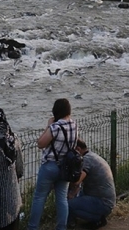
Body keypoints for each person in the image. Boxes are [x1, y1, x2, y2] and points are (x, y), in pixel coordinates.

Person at [28, 98, 77, 230]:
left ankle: (32, 227)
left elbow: (40, 143)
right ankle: (62, 227)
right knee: (61, 199)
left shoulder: (55, 127)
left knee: (39, 198)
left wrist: (48, 125)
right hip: (66, 167)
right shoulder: (74, 124)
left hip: (50, 166)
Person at [67, 139, 115, 229]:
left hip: (102, 202)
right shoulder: (92, 156)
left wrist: (60, 182)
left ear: (78, 149)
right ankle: (93, 217)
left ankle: (97, 219)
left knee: (68, 205)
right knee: (74, 198)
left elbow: (77, 181)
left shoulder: (86, 160)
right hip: (106, 200)